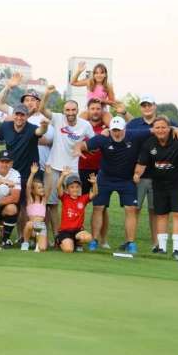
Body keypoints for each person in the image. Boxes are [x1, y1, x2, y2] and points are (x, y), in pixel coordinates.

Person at [125, 94, 178, 251]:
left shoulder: (171, 128)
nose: (147, 107)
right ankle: (133, 242)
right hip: (146, 177)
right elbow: (123, 135)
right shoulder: (134, 124)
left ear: (155, 106)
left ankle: (164, 246)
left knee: (162, 212)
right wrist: (135, 174)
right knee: (139, 210)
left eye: (149, 105)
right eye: (144, 105)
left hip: (167, 179)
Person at [75, 116, 153, 253]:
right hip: (105, 178)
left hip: (127, 179)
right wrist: (78, 149)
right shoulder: (103, 138)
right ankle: (94, 240)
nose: (116, 133)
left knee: (131, 209)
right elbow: (82, 145)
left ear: (124, 129)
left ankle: (131, 243)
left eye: (119, 130)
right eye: (113, 130)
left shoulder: (134, 134)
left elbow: (156, 130)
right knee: (98, 207)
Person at [134, 116, 178, 261]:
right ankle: (162, 248)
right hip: (159, 184)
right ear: (154, 130)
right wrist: (136, 174)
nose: (160, 130)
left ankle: (176, 250)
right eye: (157, 128)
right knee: (161, 215)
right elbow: (142, 163)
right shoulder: (149, 143)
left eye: (163, 127)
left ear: (169, 128)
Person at [39, 85, 95, 242]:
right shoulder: (57, 118)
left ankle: (73, 233)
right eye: (67, 110)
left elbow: (95, 143)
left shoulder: (85, 125)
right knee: (51, 204)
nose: (70, 113)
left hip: (72, 171)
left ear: (77, 110)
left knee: (72, 203)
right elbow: (42, 109)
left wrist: (83, 149)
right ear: (64, 111)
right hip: (53, 168)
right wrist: (47, 94)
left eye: (73, 110)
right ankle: (56, 236)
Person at [0, 103, 50, 236]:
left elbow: (40, 132)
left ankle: (23, 237)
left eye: (22, 115)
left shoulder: (32, 128)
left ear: (27, 117)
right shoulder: (6, 127)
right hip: (11, 174)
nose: (19, 117)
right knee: (10, 205)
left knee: (28, 207)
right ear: (13, 115)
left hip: (30, 172)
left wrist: (44, 126)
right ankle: (4, 237)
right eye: (17, 114)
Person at [0, 75, 53, 169]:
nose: (29, 103)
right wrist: (8, 86)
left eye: (33, 100)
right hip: (17, 166)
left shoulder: (46, 118)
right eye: (26, 100)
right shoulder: (17, 114)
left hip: (42, 165)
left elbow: (48, 140)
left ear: (39, 102)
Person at [77, 98, 110, 247]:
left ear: (102, 111)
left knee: (101, 206)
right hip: (82, 168)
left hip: (101, 170)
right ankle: (77, 235)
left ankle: (102, 240)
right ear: (88, 110)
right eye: (93, 108)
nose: (95, 111)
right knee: (79, 204)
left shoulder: (108, 127)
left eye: (98, 108)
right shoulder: (82, 125)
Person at [55, 169, 96, 253]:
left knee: (88, 238)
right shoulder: (65, 197)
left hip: (77, 231)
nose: (75, 189)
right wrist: (62, 176)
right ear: (67, 189)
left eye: (77, 187)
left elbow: (94, 193)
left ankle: (77, 243)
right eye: (72, 187)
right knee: (68, 250)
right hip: (65, 231)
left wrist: (94, 183)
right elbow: (58, 187)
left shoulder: (83, 199)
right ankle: (59, 241)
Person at [21, 163, 52, 251]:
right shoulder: (30, 201)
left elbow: (49, 188)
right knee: (29, 224)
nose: (42, 189)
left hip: (41, 226)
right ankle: (25, 243)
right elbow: (27, 187)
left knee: (42, 248)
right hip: (31, 227)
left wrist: (49, 174)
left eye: (42, 187)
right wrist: (32, 173)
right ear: (33, 190)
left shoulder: (43, 201)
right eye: (39, 188)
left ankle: (37, 243)